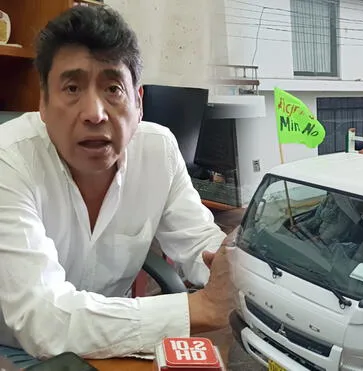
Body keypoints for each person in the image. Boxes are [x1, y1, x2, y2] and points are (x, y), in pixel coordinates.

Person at [0, 6, 232, 366]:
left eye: (112, 88)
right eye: (72, 88)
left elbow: (199, 243)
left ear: (138, 103)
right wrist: (198, 307)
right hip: (15, 348)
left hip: (115, 343)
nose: (95, 112)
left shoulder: (160, 150)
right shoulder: (8, 160)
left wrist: (232, 265)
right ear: (43, 102)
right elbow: (42, 319)